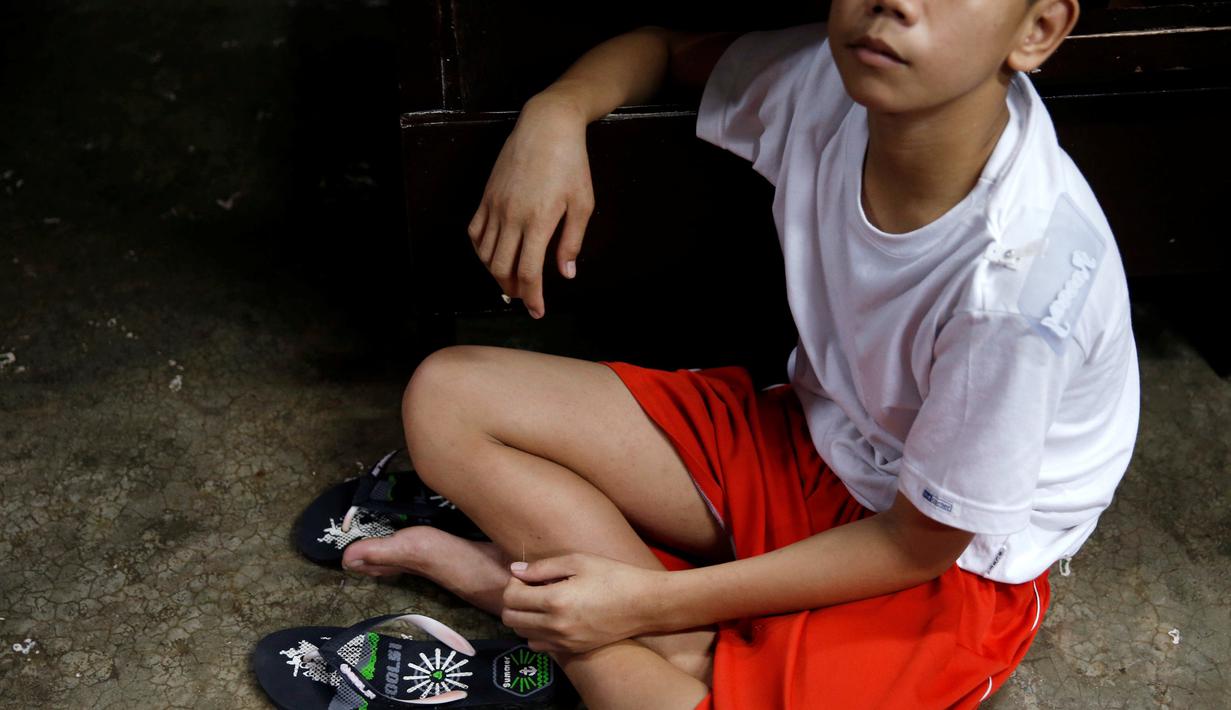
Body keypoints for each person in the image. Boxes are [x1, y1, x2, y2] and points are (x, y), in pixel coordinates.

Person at [341, 0, 1140, 707]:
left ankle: (532, 598)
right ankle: (650, 635)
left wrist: (640, 605)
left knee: (661, 648)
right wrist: (553, 115)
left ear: (1035, 30)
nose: (893, 4)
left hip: (947, 559)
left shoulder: (1018, 285)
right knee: (450, 398)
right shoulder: (830, 81)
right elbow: (658, 47)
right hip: (813, 443)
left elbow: (913, 545)